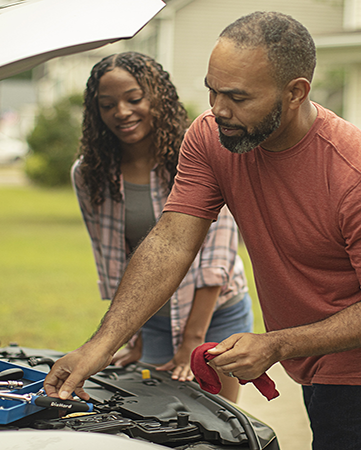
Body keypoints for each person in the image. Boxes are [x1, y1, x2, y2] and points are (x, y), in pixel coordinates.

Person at [47, 13, 361, 449]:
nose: (217, 108)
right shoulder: (211, 137)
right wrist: (100, 344)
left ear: (295, 92)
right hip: (308, 345)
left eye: (237, 97)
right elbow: (171, 240)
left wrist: (277, 344)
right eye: (212, 89)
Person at [71, 51, 252, 403]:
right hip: (149, 317)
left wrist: (192, 341)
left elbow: (218, 255)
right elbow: (111, 259)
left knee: (219, 419)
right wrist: (129, 334)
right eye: (107, 104)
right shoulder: (89, 174)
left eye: (134, 98)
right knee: (160, 418)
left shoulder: (202, 153)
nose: (121, 112)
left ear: (158, 97)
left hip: (216, 314)